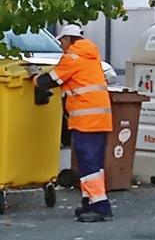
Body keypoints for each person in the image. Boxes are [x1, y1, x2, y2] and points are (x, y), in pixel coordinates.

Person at [33, 24, 113, 223]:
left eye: (61, 41)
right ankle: (90, 202)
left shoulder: (73, 58)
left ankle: (100, 206)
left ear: (69, 39)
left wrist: (34, 78)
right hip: (100, 119)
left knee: (88, 163)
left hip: (86, 120)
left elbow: (50, 80)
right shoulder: (91, 57)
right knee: (94, 163)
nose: (61, 45)